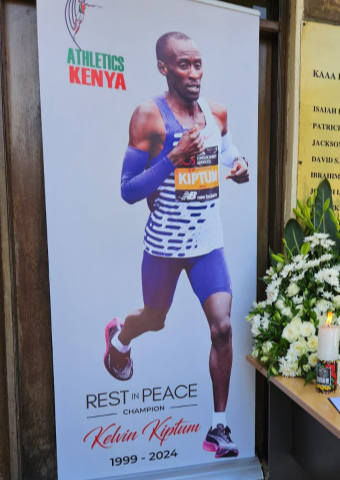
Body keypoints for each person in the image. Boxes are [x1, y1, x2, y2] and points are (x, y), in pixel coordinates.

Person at [103, 31, 249, 459]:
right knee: (154, 319)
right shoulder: (148, 118)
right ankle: (119, 338)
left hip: (207, 242)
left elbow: (227, 151)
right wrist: (171, 155)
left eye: (198, 64)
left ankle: (218, 429)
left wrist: (238, 167)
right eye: (183, 65)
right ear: (163, 68)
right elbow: (129, 191)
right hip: (165, 245)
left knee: (222, 327)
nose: (193, 73)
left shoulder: (216, 112)